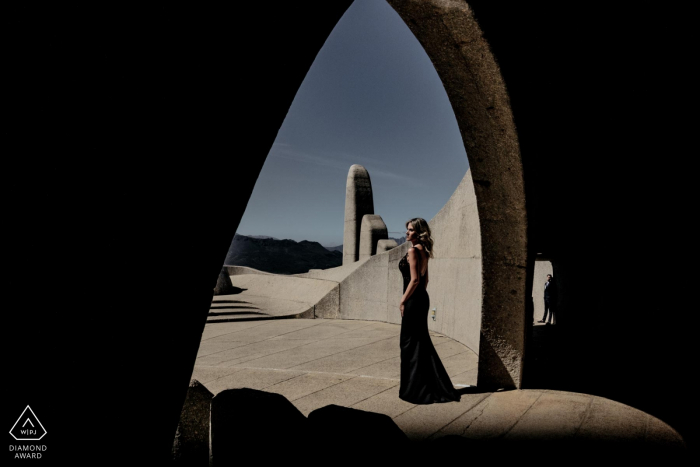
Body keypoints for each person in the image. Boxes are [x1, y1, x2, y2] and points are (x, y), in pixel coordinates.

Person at [398, 218, 460, 404]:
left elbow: (416, 280)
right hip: (421, 298)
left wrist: (402, 301)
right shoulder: (424, 251)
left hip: (413, 300)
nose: (407, 233)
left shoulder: (413, 250)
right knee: (419, 343)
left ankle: (415, 390)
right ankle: (428, 385)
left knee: (409, 344)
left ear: (419, 232)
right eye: (407, 230)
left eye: (410, 230)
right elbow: (425, 281)